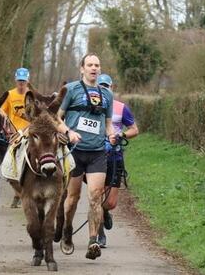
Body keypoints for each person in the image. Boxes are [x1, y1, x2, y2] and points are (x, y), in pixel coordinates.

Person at [56, 53, 116, 260]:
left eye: (97, 65)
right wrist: (69, 133)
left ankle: (93, 242)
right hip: (74, 152)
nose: (94, 68)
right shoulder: (71, 90)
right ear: (82, 68)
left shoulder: (107, 95)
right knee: (72, 199)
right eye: (89, 65)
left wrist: (112, 135)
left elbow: (107, 123)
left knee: (95, 196)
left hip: (97, 152)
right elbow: (56, 117)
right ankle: (67, 231)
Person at [95, 73, 139, 248]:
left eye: (107, 87)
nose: (104, 89)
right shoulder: (91, 108)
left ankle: (105, 212)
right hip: (95, 157)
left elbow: (134, 130)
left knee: (110, 203)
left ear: (111, 88)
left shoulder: (121, 108)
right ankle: (99, 233)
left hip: (115, 157)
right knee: (96, 195)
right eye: (101, 87)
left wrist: (121, 134)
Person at [0, 67, 31, 208]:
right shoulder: (9, 95)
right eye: (19, 81)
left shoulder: (32, 95)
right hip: (14, 135)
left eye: (24, 81)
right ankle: (18, 193)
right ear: (15, 80)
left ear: (28, 81)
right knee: (9, 168)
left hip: (29, 134)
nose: (21, 83)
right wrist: (4, 115)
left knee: (27, 166)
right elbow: (0, 107)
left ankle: (25, 195)